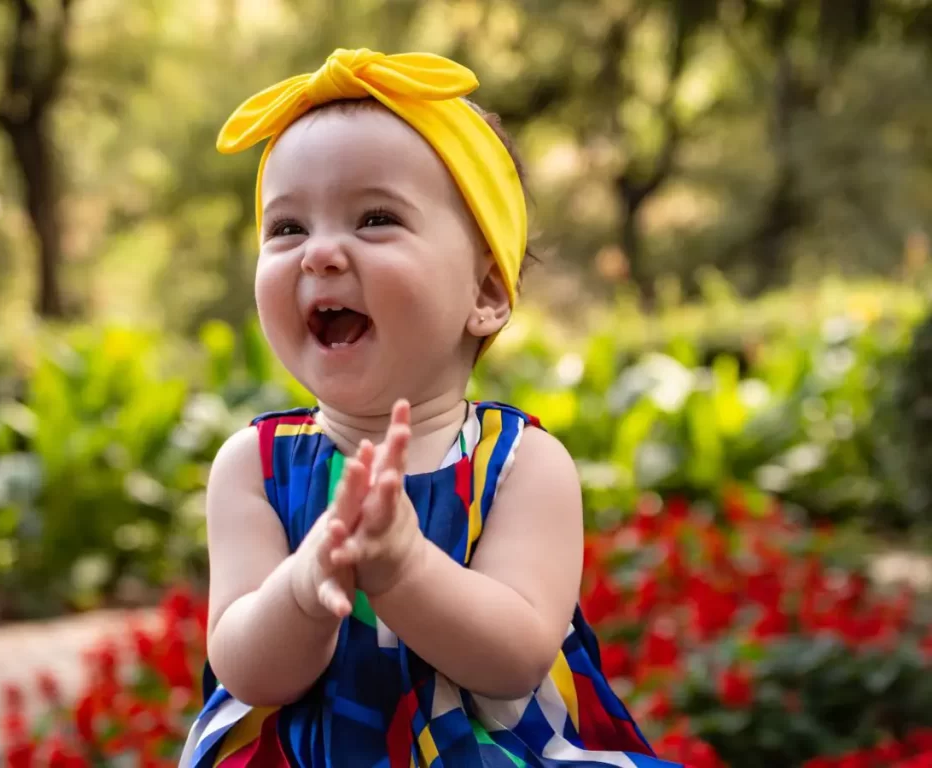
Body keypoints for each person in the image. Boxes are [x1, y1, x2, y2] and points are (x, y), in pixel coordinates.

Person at [180, 48, 680, 768]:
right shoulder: (253, 469)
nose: (319, 253)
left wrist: (402, 567)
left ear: (484, 294)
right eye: (287, 228)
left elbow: (516, 657)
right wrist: (306, 584)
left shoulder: (522, 466)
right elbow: (246, 669)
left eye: (375, 217)